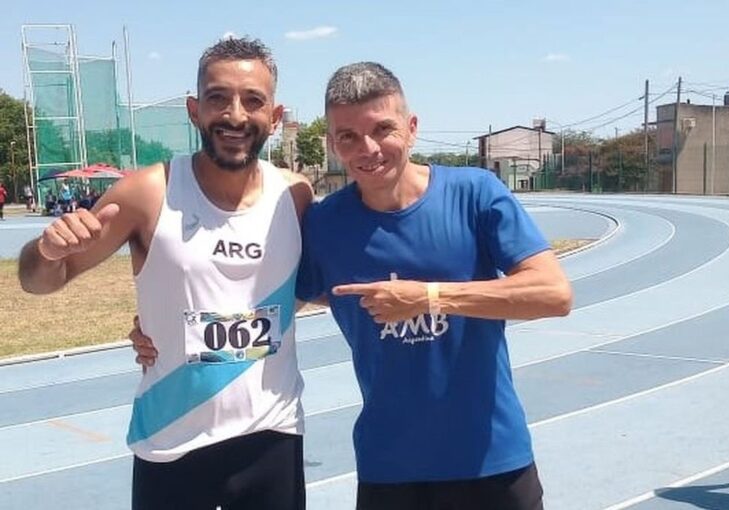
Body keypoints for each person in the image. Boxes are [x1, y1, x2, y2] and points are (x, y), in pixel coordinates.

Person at [133, 61, 573, 509]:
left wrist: (428, 298)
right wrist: (161, 327)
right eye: (347, 136)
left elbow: (553, 294)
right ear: (332, 144)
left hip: (492, 462)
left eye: (383, 129)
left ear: (412, 127)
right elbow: (271, 300)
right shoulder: (324, 223)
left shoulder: (475, 193)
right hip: (388, 469)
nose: (368, 148)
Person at [18, 37, 312, 510]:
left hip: (271, 437)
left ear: (274, 118)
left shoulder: (294, 196)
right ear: (194, 109)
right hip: (171, 441)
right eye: (218, 97)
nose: (234, 115)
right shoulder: (146, 193)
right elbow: (38, 281)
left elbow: (308, 290)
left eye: (253, 100)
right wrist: (47, 252)